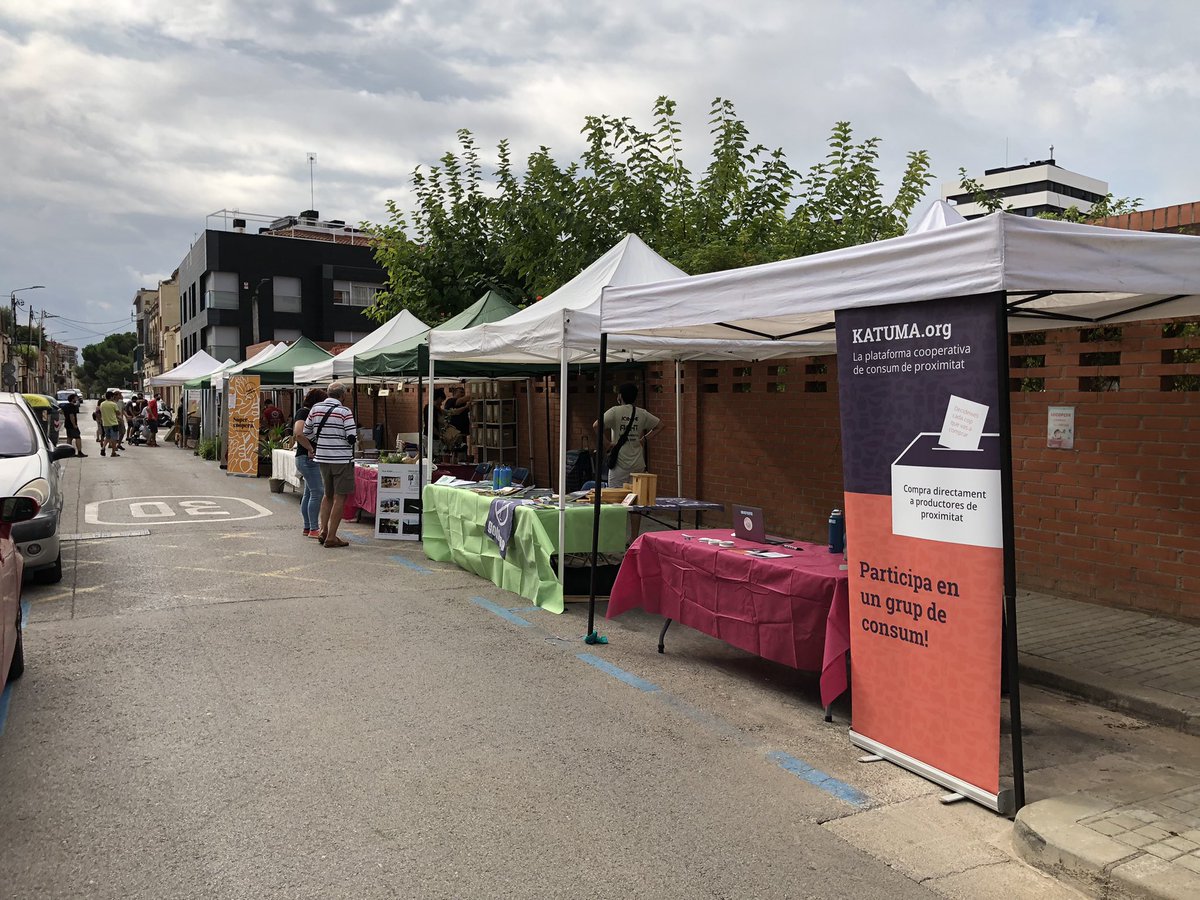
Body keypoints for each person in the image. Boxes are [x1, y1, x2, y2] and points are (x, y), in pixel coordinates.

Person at [596, 382, 660, 539]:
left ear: (620, 396)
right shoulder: (642, 413)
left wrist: (607, 444)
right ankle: (634, 537)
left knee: (615, 502)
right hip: (638, 463)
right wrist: (643, 439)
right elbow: (660, 425)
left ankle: (615, 538)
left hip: (619, 464)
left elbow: (596, 425)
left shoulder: (615, 411)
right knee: (636, 502)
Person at [303, 381, 357, 548]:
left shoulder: (315, 409)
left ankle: (323, 530)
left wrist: (321, 442)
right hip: (341, 460)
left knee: (327, 495)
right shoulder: (345, 412)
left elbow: (306, 432)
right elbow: (352, 437)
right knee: (340, 497)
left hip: (323, 458)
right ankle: (331, 537)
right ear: (342, 395)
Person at [292, 387, 328, 538]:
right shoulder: (304, 412)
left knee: (308, 492)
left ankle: (308, 527)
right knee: (317, 492)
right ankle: (314, 528)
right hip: (307, 458)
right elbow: (298, 433)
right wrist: (310, 448)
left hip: (306, 458)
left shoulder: (308, 413)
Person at [442, 384, 470, 455]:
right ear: (455, 393)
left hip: (462, 430)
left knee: (462, 449)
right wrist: (476, 395)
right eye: (461, 392)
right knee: (455, 449)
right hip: (454, 431)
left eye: (463, 392)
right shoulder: (451, 401)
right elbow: (460, 401)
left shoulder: (464, 404)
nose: (463, 394)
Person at [60, 393, 87, 457]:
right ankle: (79, 452)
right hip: (72, 424)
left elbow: (60, 411)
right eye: (76, 398)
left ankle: (68, 453)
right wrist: (74, 424)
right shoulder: (72, 406)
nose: (77, 399)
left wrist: (65, 415)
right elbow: (72, 416)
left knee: (69, 438)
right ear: (73, 399)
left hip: (67, 423)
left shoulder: (66, 406)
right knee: (78, 437)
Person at [99, 391, 122, 458]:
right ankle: (113, 452)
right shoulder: (113, 404)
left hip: (105, 423)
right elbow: (118, 413)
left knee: (107, 437)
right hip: (113, 423)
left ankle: (103, 448)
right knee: (114, 438)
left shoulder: (102, 404)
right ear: (111, 397)